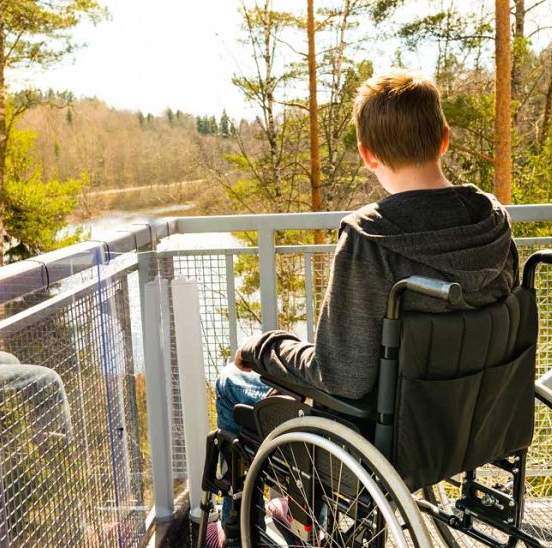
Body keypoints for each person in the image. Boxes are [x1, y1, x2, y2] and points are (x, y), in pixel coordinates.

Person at [216, 71, 519, 433]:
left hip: (384, 437)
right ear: (444, 139)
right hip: (473, 424)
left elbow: (344, 378)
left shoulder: (368, 238)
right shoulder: (493, 220)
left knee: (230, 384)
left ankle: (268, 491)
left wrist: (263, 347)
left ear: (367, 154)